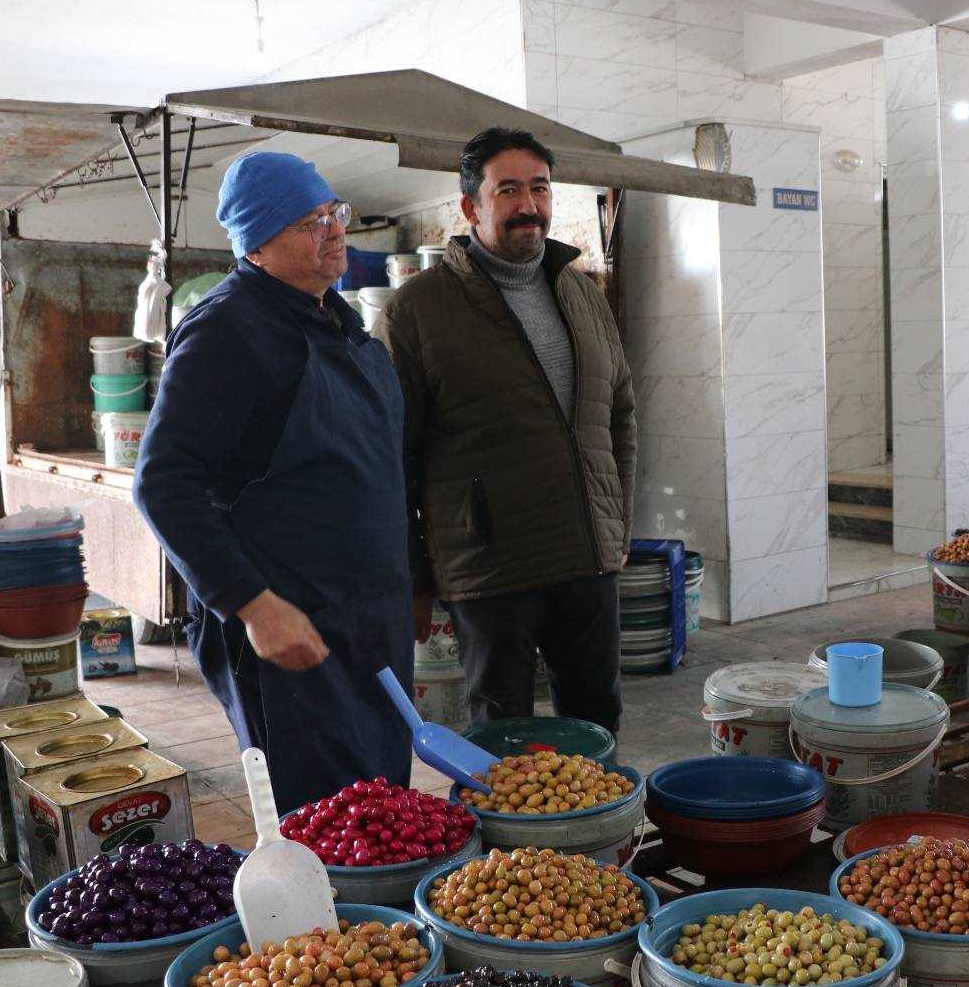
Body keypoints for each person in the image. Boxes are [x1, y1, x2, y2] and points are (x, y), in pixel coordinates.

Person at [134, 152, 413, 813]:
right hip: (291, 630)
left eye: (333, 212)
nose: (336, 230)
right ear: (256, 246)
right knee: (322, 821)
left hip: (369, 620)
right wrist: (254, 607)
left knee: (382, 812)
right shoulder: (227, 331)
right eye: (310, 222)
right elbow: (163, 483)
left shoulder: (340, 324)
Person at [374, 127, 636, 734]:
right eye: (509, 190)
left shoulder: (582, 292)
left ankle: (594, 806)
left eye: (540, 188)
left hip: (587, 555)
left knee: (597, 720)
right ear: (471, 207)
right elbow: (392, 458)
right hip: (490, 565)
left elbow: (621, 413)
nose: (528, 205)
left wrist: (617, 523)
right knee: (501, 732)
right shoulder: (416, 310)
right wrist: (414, 578)